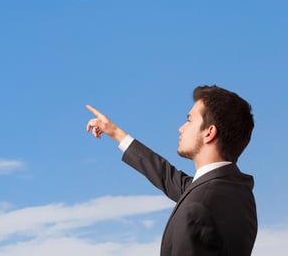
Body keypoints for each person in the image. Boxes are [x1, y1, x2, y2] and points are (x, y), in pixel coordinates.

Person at [86, 85, 257, 256]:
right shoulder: (236, 190)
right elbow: (169, 178)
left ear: (209, 132)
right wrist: (116, 133)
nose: (181, 128)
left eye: (189, 120)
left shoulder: (197, 208)